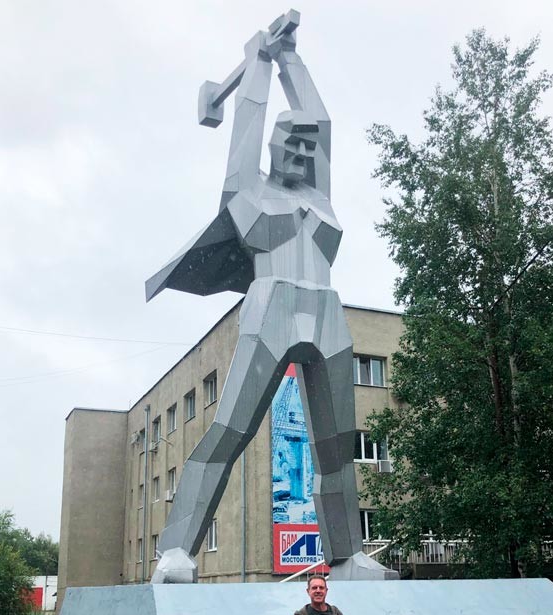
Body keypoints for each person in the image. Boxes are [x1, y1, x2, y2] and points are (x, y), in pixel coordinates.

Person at [148, 19, 389, 582]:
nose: (302, 149)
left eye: (306, 144)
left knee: (335, 449)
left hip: (329, 313)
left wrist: (291, 60)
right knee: (231, 428)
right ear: (275, 148)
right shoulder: (250, 192)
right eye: (292, 142)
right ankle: (178, 550)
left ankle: (347, 555)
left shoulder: (320, 197)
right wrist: (258, 61)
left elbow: (321, 121)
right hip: (272, 306)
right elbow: (248, 126)